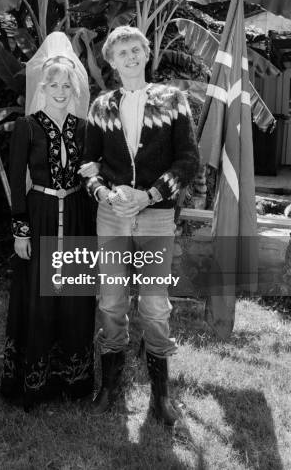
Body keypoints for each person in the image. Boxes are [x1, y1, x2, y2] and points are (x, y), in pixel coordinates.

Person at [80, 26, 199, 425]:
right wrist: (105, 194)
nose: (130, 57)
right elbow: (90, 165)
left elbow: (188, 160)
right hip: (112, 215)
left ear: (146, 54)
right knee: (111, 301)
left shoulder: (173, 100)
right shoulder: (100, 107)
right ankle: (110, 387)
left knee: (153, 306)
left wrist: (148, 195)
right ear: (111, 62)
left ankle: (160, 395)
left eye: (136, 50)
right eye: (121, 52)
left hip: (156, 215)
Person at [0, 32, 96, 411]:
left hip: (75, 217)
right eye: (53, 84)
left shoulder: (84, 129)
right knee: (38, 297)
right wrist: (20, 230)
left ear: (75, 88)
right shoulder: (27, 127)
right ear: (44, 87)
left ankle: (71, 381)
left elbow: (91, 177)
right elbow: (15, 181)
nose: (60, 90)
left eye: (66, 84)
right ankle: (33, 382)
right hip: (38, 216)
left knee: (72, 297)